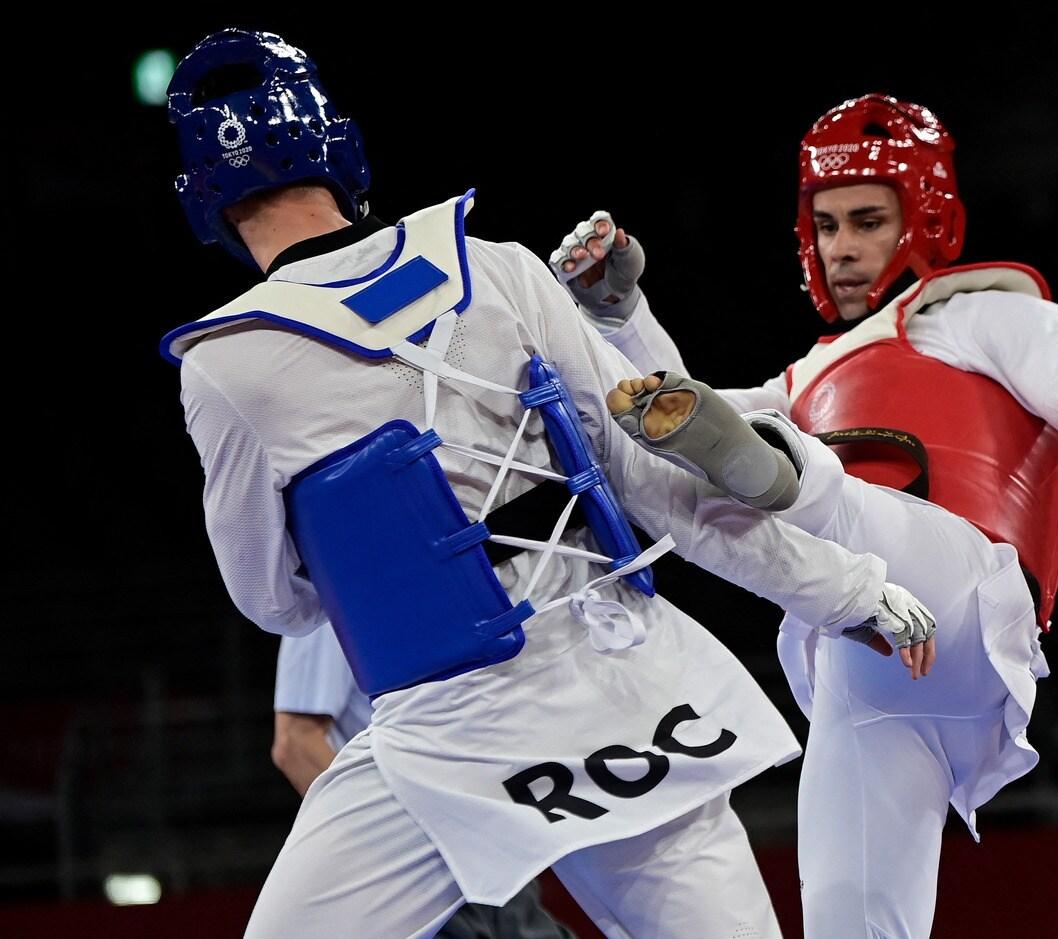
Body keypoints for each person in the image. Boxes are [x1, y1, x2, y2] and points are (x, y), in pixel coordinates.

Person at [161, 34, 932, 938]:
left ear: (203, 197)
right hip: (624, 690)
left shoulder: (228, 364)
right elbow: (663, 485)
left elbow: (272, 602)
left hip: (445, 726)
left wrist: (379, 555)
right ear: (341, 147)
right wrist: (855, 591)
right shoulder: (500, 268)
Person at [550, 92, 1058, 938]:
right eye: (826, 226)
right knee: (849, 923)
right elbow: (675, 418)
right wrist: (621, 318)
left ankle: (790, 483)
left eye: (866, 221)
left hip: (969, 593)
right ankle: (783, 485)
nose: (842, 249)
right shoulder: (800, 381)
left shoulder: (985, 315)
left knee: (786, 481)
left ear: (925, 216)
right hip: (869, 662)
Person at [272, 626, 576, 938]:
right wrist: (384, 853)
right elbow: (296, 745)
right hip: (418, 846)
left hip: (479, 828)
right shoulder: (332, 605)